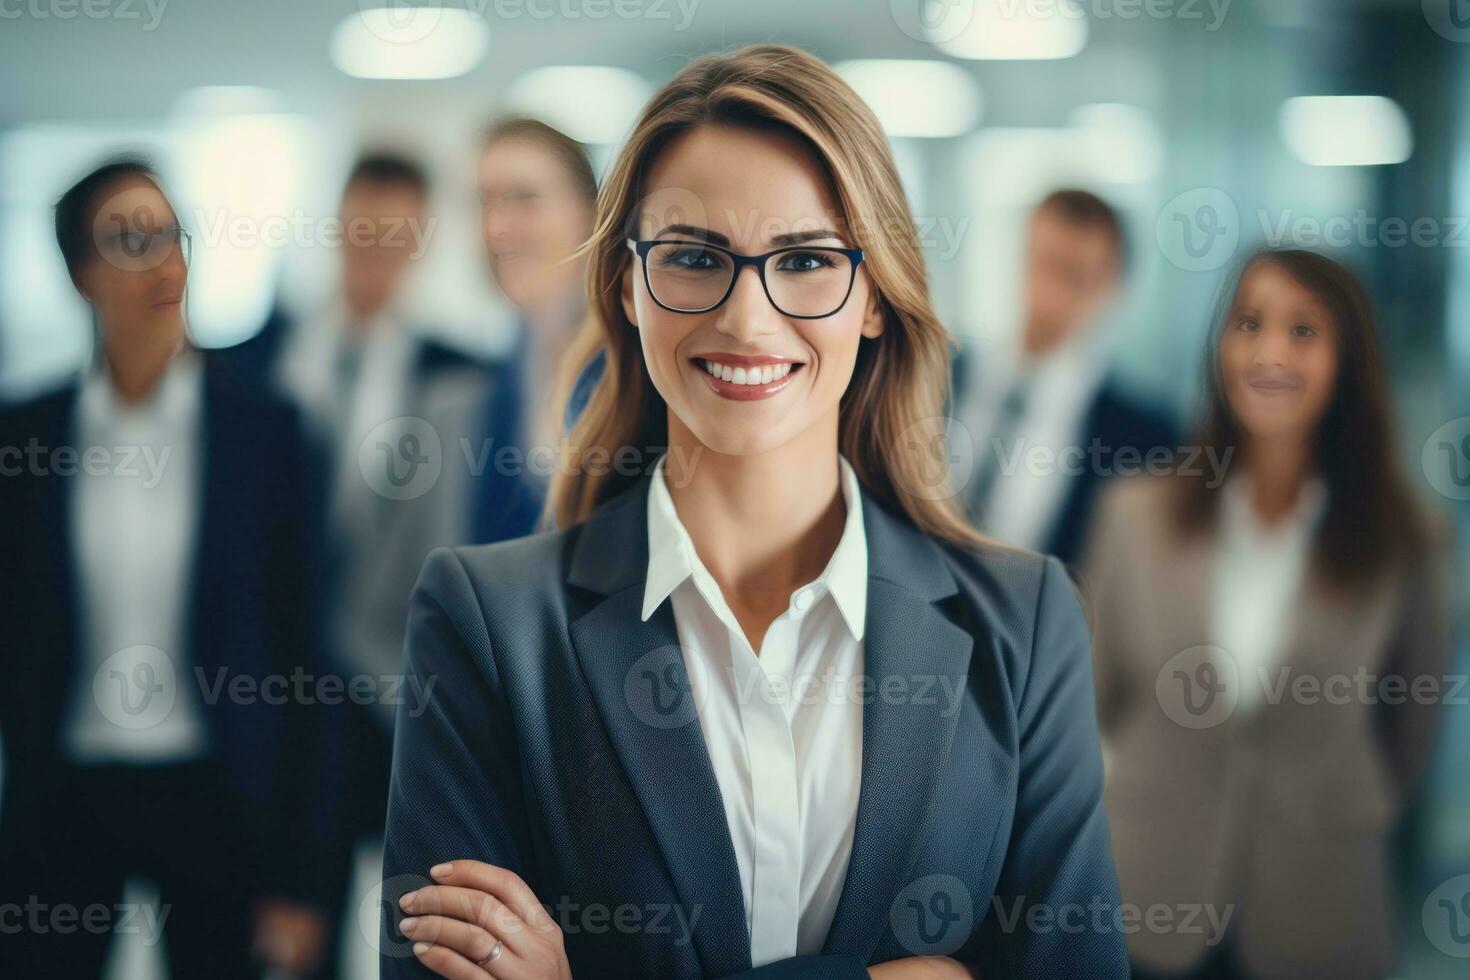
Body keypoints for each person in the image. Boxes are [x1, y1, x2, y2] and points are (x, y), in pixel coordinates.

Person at [379, 44, 1128, 979]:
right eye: (695, 258)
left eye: (806, 260)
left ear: (874, 297)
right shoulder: (487, 624)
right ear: (624, 284)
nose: (746, 319)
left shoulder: (1025, 624)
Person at [1081, 248, 1453, 980]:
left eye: (1303, 331)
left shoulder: (1404, 540)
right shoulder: (1134, 514)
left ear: (1349, 358)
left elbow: (1410, 734)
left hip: (1320, 903)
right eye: (1248, 324)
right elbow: (1090, 701)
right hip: (1147, 893)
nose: (1269, 352)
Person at [0, 157, 330, 977]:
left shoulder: (264, 430)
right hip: (65, 791)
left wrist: (300, 875)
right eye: (129, 239)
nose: (165, 261)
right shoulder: (26, 437)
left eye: (172, 235)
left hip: (215, 791)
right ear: (81, 275)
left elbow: (301, 652)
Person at [226, 151, 495, 978]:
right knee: (274, 933)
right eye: (363, 226)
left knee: (412, 924)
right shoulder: (246, 362)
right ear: (336, 223)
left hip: (393, 693)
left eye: (397, 231)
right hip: (269, 688)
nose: (376, 247)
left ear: (420, 240)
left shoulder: (462, 374)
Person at [954, 189, 1176, 565]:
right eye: (1043, 263)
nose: (1050, 292)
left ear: (1112, 287)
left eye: (1075, 275)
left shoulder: (1145, 440)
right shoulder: (934, 373)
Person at [469, 116, 600, 544]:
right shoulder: (494, 380)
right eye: (485, 202)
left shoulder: (642, 366)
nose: (497, 228)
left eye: (525, 198)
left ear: (588, 212)